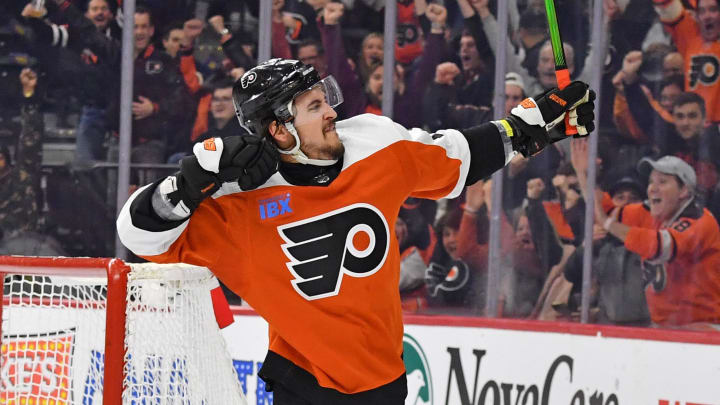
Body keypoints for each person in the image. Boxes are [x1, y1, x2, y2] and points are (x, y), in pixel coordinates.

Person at [117, 58, 595, 403]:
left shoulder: (374, 143)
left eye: (324, 100)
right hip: (301, 378)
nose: (330, 113)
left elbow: (458, 157)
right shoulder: (235, 201)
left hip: (383, 379)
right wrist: (189, 182)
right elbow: (138, 235)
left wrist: (532, 126)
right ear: (279, 130)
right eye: (312, 106)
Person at [594, 154, 720, 327]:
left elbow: (659, 246)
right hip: (664, 328)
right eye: (651, 182)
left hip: (704, 328)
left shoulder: (699, 219)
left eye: (662, 182)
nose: (653, 188)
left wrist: (608, 224)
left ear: (683, 191)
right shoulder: (655, 213)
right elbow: (605, 208)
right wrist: (585, 175)